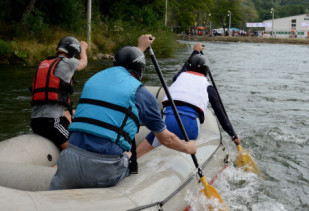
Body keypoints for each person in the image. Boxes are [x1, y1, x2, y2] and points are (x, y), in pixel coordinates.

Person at [49, 35, 197, 190]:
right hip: (103, 168)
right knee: (129, 155)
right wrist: (189, 148)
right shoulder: (141, 94)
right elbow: (166, 139)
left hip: (69, 162)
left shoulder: (93, 81)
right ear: (140, 70)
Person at [136, 43, 241, 157]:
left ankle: (132, 162)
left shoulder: (178, 77)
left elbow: (185, 67)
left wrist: (195, 51)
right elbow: (221, 115)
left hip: (167, 120)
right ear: (206, 71)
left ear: (189, 67)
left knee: (141, 150)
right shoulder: (209, 88)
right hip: (191, 126)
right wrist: (233, 135)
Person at [30, 36, 88, 149]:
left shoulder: (44, 63)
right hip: (52, 123)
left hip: (35, 121)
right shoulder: (69, 63)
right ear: (74, 52)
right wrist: (84, 48)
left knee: (73, 113)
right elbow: (84, 62)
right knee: (79, 149)